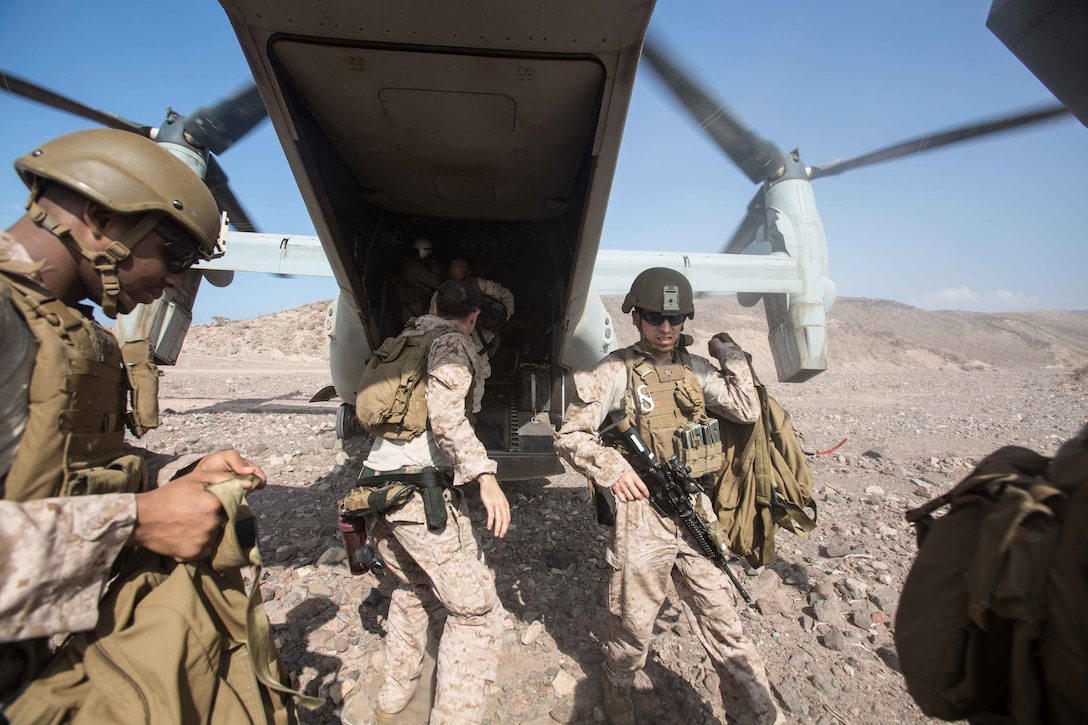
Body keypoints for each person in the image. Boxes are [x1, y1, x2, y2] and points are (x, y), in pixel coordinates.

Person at [0, 128, 267, 702]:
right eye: (173, 256)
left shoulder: (64, 330)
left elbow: (56, 473)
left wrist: (176, 479)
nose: (175, 280)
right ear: (100, 219)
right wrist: (134, 522)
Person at [554, 267, 782, 724]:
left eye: (676, 319)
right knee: (634, 622)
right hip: (642, 515)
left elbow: (745, 407)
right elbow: (570, 434)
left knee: (724, 621)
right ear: (636, 316)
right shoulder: (614, 371)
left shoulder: (695, 369)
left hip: (694, 506)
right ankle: (617, 683)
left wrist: (729, 350)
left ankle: (754, 711)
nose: (666, 328)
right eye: (656, 317)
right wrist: (612, 468)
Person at [360, 278, 511, 724]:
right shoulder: (451, 345)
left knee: (412, 590)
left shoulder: (406, 338)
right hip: (417, 490)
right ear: (476, 316)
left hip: (378, 486)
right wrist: (485, 475)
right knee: (475, 609)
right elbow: (447, 418)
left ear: (433, 304)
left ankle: (392, 703)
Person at [430, 257, 515, 410]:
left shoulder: (442, 293)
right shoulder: (475, 286)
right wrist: (504, 318)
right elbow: (506, 295)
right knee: (475, 377)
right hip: (471, 343)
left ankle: (465, 411)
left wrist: (502, 318)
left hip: (469, 341)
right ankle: (470, 412)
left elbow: (432, 319)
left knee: (467, 376)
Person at [392, 237, 441, 326]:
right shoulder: (414, 267)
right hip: (413, 309)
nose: (429, 255)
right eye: (429, 252)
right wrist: (434, 263)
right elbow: (436, 283)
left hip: (411, 308)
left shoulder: (411, 264)